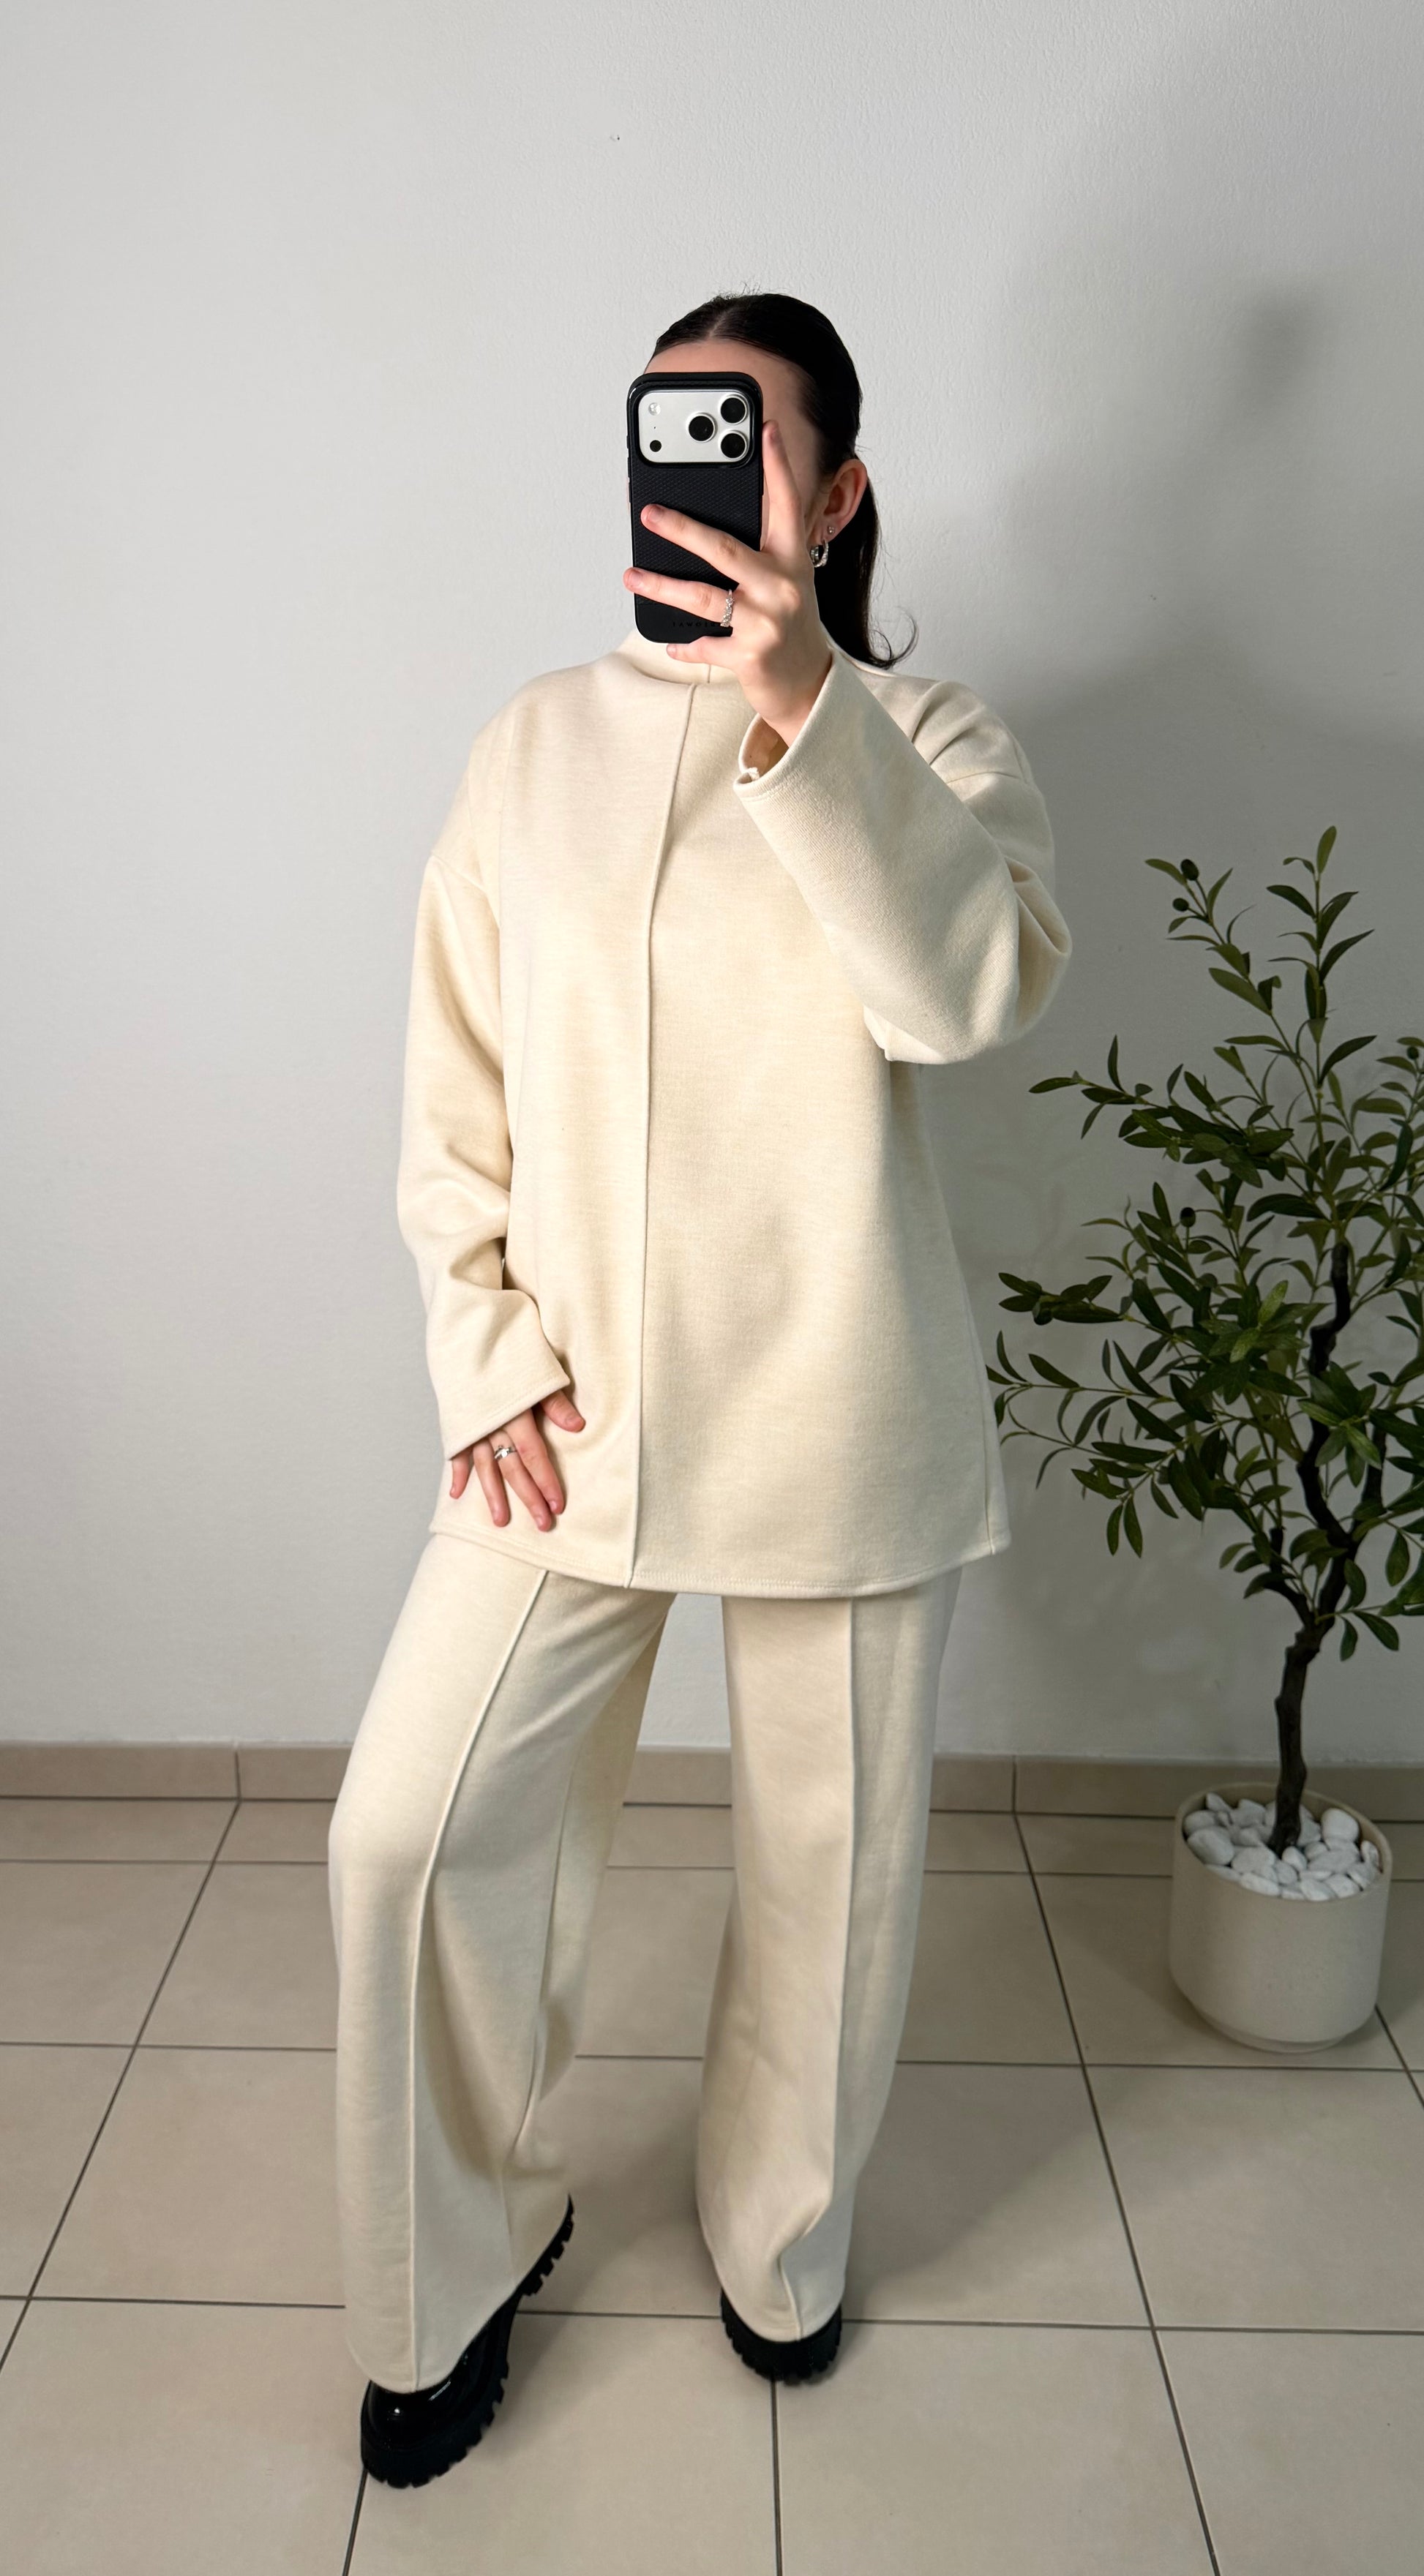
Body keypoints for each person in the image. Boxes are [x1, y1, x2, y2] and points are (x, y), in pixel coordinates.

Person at [327, 290, 1072, 2489]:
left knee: (827, 1884)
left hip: (837, 1400)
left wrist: (799, 703)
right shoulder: (532, 743)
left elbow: (958, 995)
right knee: (402, 1840)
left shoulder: (927, 737)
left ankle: (781, 2246)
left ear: (831, 493)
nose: (701, 466)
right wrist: (482, 1349)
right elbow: (452, 1084)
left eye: (743, 434)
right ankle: (446, 2270)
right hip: (573, 1412)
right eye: (668, 427)